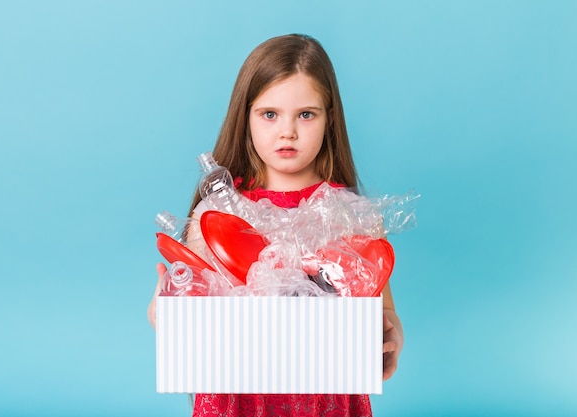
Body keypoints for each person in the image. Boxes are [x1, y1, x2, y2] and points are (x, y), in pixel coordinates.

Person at [147, 33, 403, 416]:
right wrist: (164, 310)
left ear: (329, 118)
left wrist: (391, 334)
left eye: (306, 114)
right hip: (237, 399)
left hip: (326, 399)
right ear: (246, 116)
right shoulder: (216, 217)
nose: (288, 131)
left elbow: (381, 308)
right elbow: (189, 318)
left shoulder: (354, 216)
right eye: (270, 114)